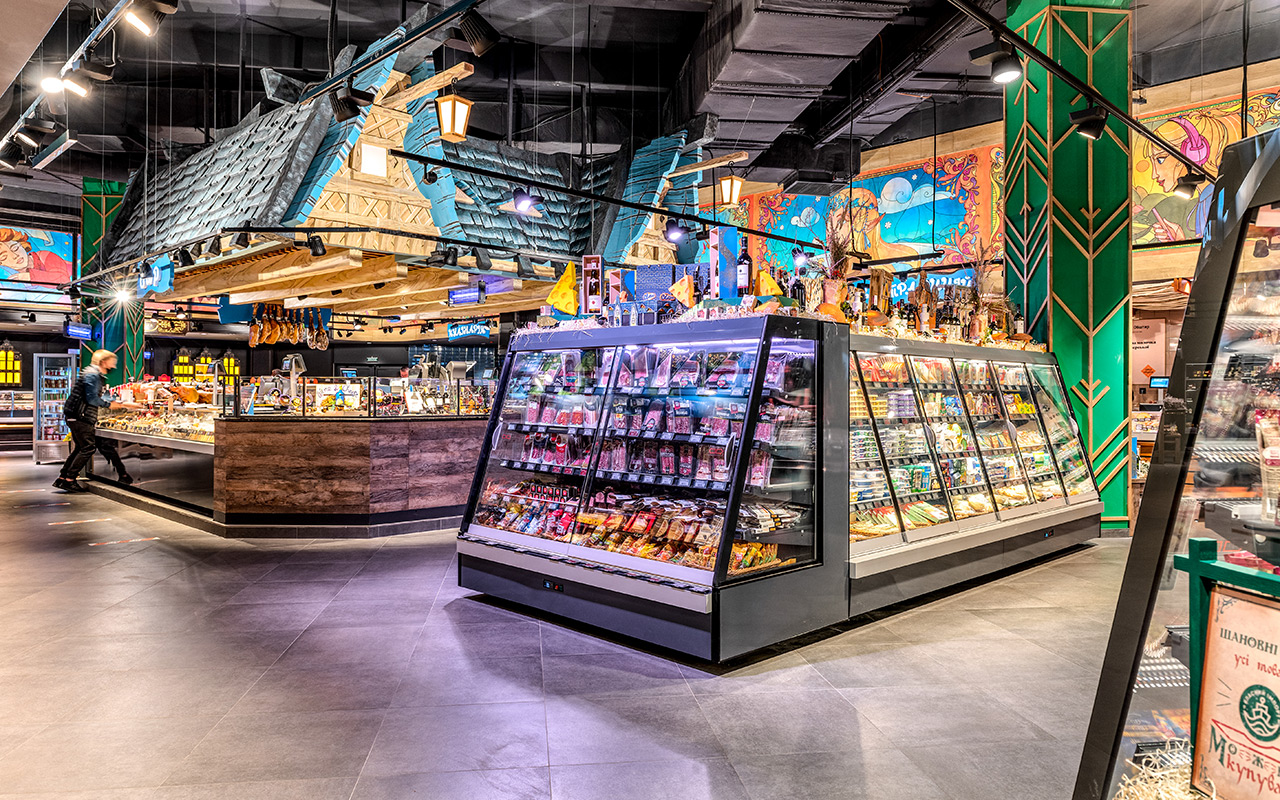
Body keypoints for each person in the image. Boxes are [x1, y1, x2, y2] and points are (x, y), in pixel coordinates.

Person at [54, 349, 140, 492]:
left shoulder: (90, 373)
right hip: (81, 416)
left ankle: (63, 478)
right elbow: (92, 399)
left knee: (81, 447)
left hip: (75, 415)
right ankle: (69, 479)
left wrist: (121, 403)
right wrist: (111, 405)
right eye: (112, 363)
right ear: (103, 362)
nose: (114, 367)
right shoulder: (93, 375)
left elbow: (95, 396)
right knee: (88, 448)